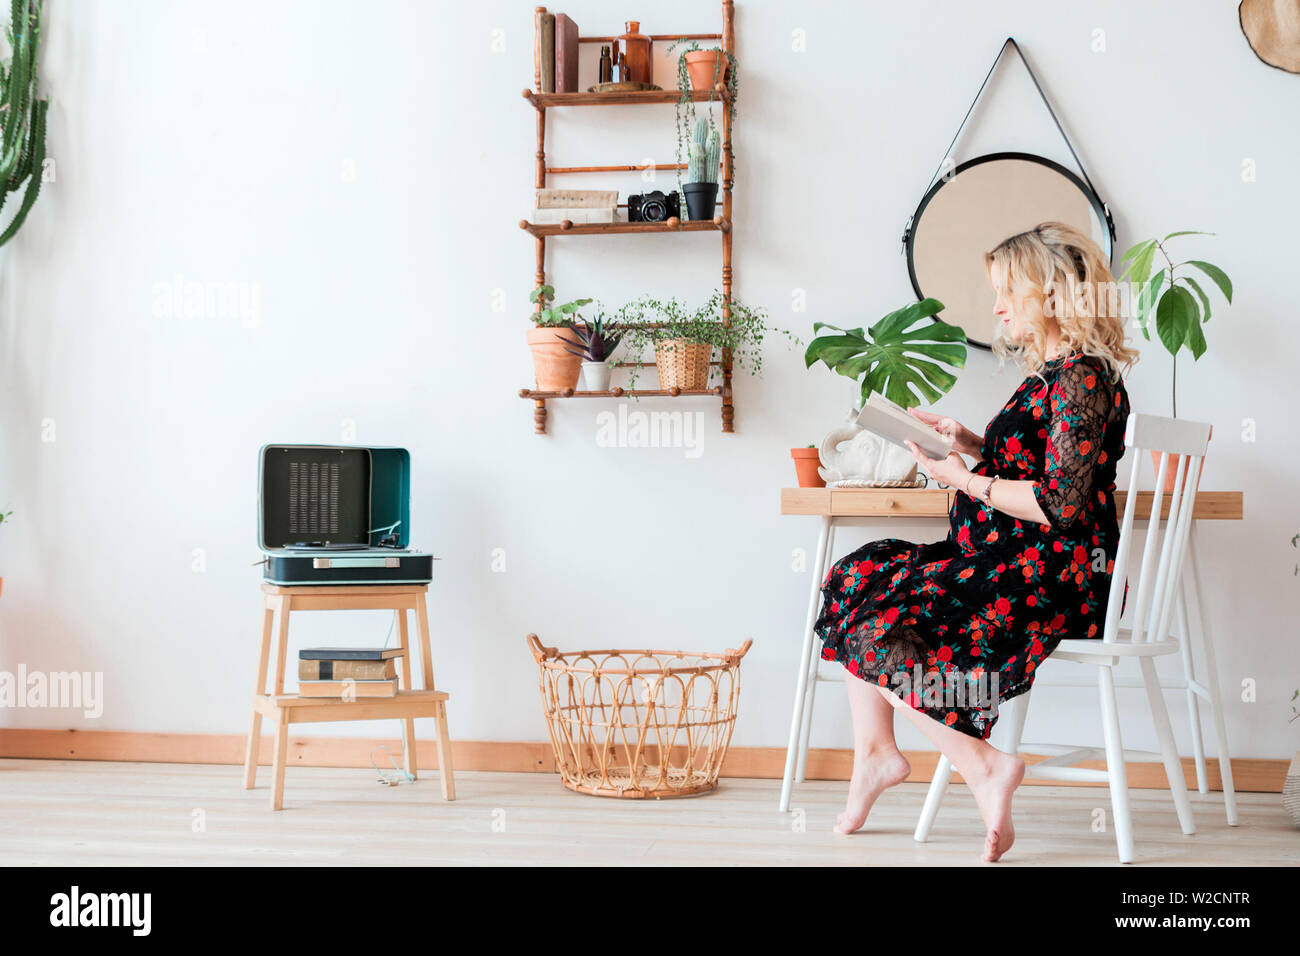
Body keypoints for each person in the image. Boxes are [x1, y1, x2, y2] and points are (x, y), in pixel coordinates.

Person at [814, 221, 1140, 861]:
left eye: (1007, 292)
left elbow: (1061, 504)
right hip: (1006, 559)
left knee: (873, 621)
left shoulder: (1081, 378)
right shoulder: (1056, 375)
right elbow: (1040, 466)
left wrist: (969, 481)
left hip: (1054, 575)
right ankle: (878, 753)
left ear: (1048, 294)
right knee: (856, 575)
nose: (996, 308)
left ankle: (981, 764)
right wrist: (968, 443)